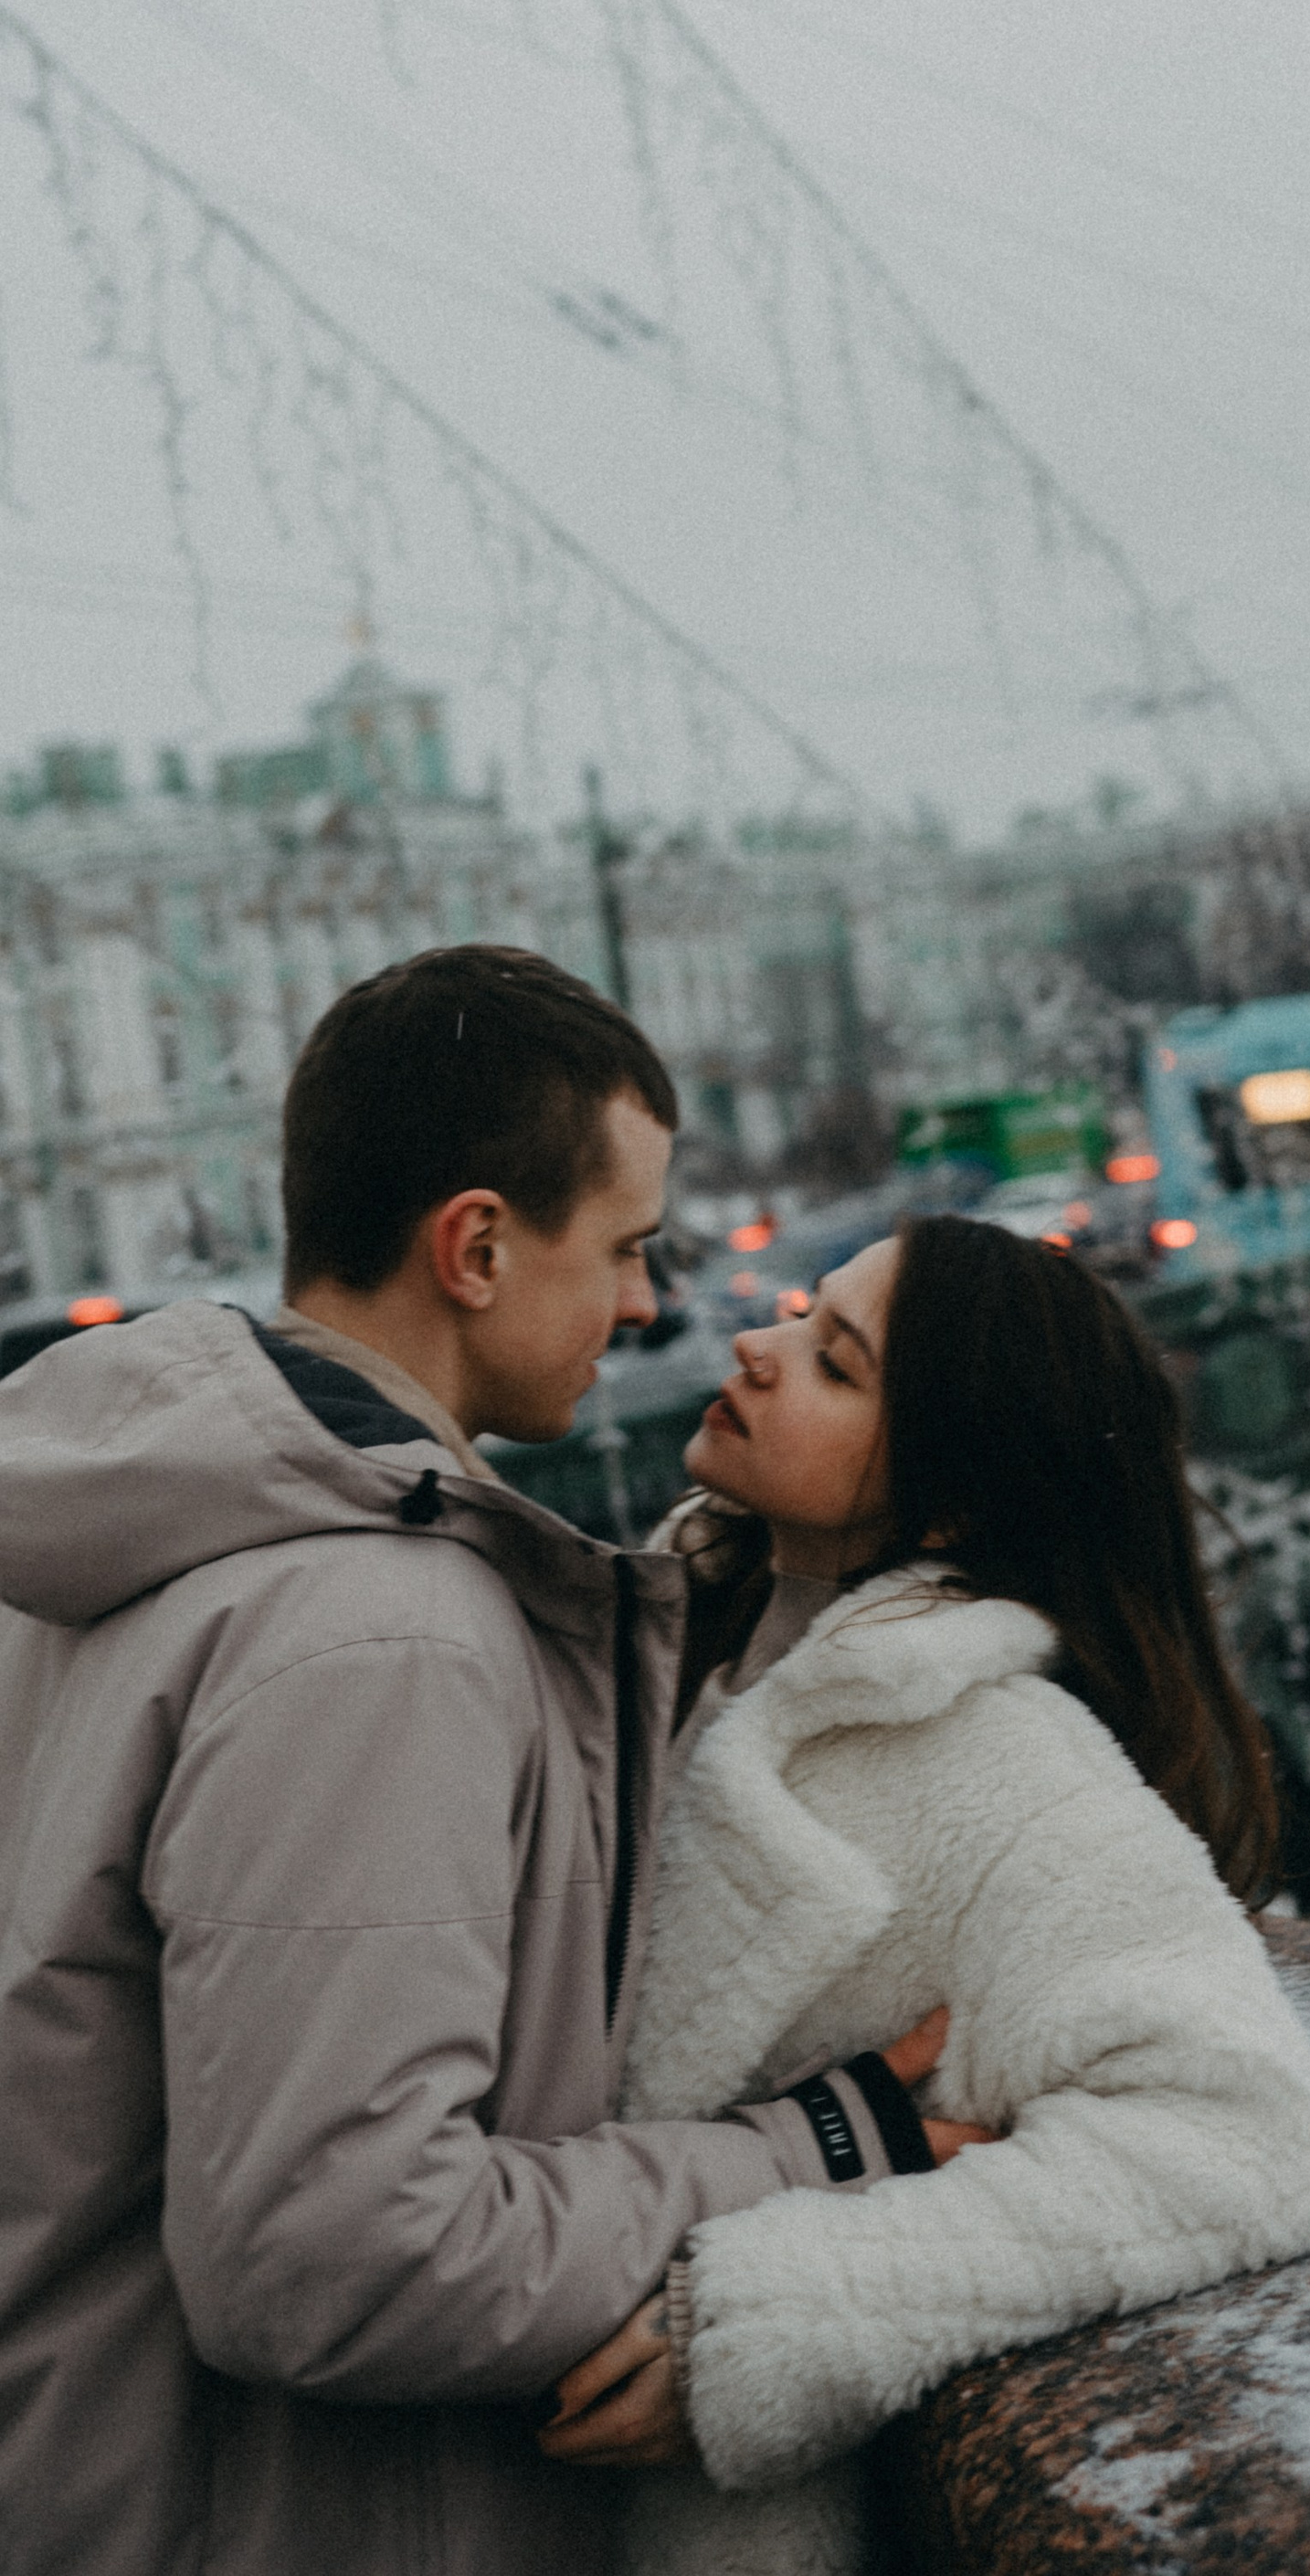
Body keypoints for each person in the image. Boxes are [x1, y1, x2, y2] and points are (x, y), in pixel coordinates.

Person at [0, 944, 972, 2576]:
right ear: (474, 1246)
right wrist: (811, 2151)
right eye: (625, 1248)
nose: (654, 1306)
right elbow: (333, 2258)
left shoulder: (112, 1534)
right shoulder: (383, 1633)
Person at [534, 1211, 1310, 2572]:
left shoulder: (997, 1760)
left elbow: (1252, 2138)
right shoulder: (689, 1624)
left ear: (948, 1503)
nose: (756, 1343)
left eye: (833, 1362)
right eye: (801, 1315)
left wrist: (788, 2315)